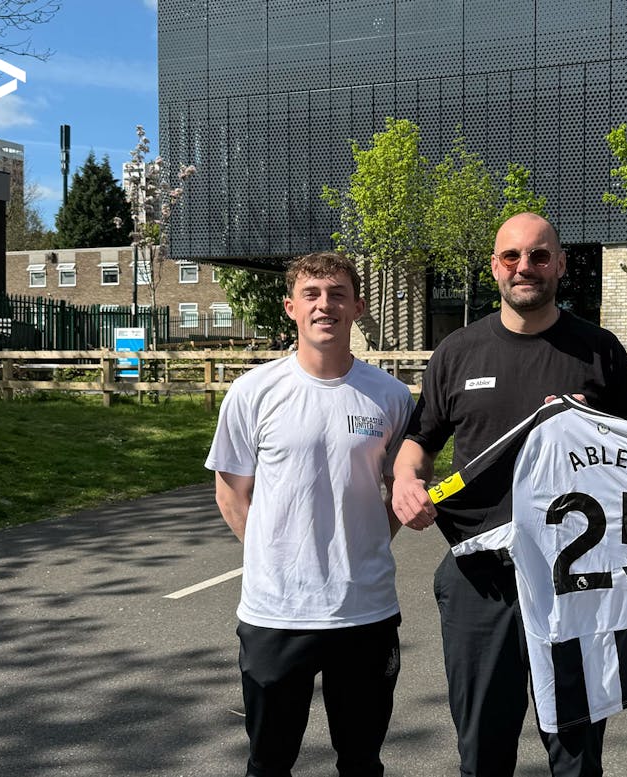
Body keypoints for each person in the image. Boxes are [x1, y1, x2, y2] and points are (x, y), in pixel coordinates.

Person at [391, 212, 627, 777]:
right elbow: (418, 443)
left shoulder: (598, 351)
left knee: (577, 754)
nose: (524, 267)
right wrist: (406, 482)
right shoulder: (458, 351)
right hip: (479, 578)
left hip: (573, 576)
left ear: (560, 263)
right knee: (483, 749)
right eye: (511, 256)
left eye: (538, 255)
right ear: (494, 267)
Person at [205, 252, 414, 777]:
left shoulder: (389, 396)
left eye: (338, 294)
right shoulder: (253, 393)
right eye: (313, 295)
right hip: (276, 614)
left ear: (357, 307)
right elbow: (231, 495)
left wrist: (367, 544)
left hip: (364, 610)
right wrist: (270, 559)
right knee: (269, 762)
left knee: (362, 762)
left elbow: (400, 489)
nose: (326, 305)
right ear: (291, 308)